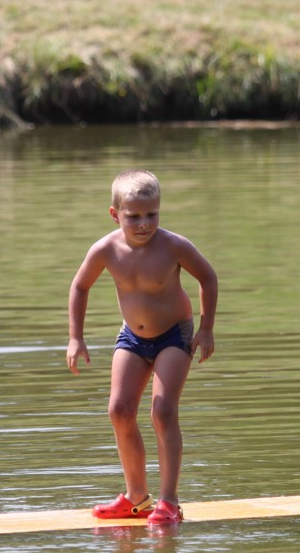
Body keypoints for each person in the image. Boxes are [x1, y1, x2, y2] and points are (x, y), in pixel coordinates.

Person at [67, 169, 218, 526]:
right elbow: (80, 286)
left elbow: (208, 277)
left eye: (152, 214)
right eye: (133, 216)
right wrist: (76, 337)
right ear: (114, 214)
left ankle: (169, 501)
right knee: (119, 410)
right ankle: (136, 498)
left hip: (174, 335)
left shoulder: (174, 246)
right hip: (132, 338)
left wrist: (207, 328)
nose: (144, 223)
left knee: (162, 411)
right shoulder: (105, 249)